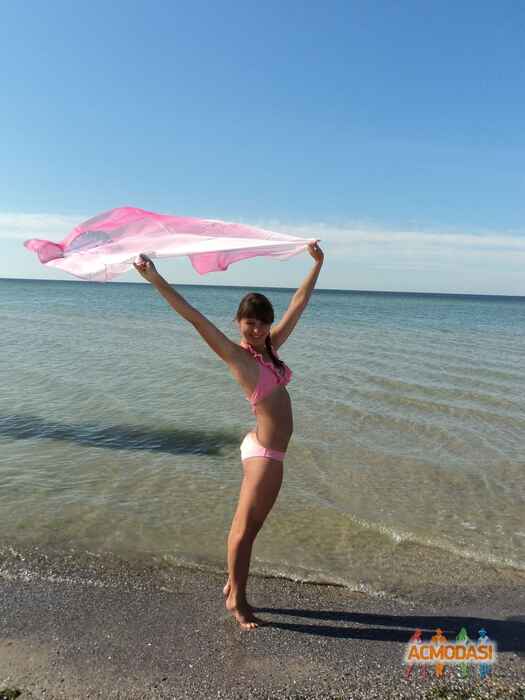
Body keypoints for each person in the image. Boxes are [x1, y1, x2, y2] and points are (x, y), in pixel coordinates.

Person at [133, 243, 324, 629]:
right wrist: (154, 278)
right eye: (250, 322)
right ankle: (237, 599)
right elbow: (194, 317)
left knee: (251, 527)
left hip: (263, 446)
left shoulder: (270, 349)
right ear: (238, 322)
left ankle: (232, 583)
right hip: (265, 453)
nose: (257, 329)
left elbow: (298, 303)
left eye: (263, 323)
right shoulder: (237, 356)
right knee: (244, 531)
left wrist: (317, 264)